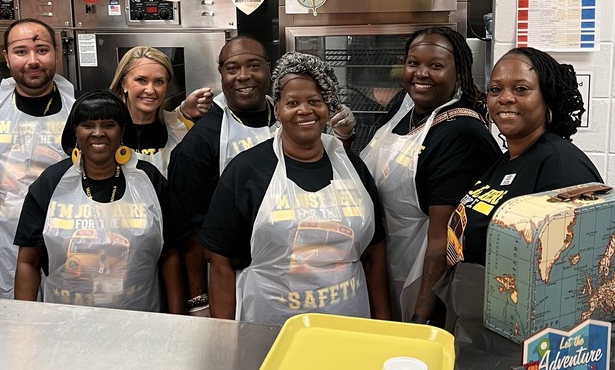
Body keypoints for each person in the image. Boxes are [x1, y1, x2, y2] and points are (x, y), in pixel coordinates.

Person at [169, 35, 356, 313]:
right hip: (241, 280)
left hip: (315, 271)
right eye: (232, 68)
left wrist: (344, 137)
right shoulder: (200, 142)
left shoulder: (291, 112)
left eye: (254, 65)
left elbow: (331, 173)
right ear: (221, 74)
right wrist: (199, 299)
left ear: (269, 68)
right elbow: (190, 230)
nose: (244, 76)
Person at [201, 53, 390, 325]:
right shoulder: (246, 171)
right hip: (269, 326)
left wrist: (384, 325)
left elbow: (375, 253)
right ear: (277, 109)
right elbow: (220, 261)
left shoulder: (353, 168)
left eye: (315, 101)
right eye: (292, 103)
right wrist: (227, 337)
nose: (305, 110)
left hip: (348, 323)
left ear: (328, 107)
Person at [361, 26, 500, 324]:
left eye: (436, 65)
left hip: (421, 282)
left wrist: (420, 317)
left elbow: (442, 239)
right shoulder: (403, 108)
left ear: (459, 73)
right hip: (385, 266)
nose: (421, 73)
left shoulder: (461, 133)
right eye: (413, 63)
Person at [13, 90, 188, 312]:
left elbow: (170, 254)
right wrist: (24, 321)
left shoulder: (148, 179)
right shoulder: (52, 182)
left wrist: (177, 319)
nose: (98, 133)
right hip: (63, 322)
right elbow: (28, 261)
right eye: (87, 125)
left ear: (122, 130)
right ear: (75, 131)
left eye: (108, 125)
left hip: (140, 320)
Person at [0, 18, 76, 299]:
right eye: (21, 52)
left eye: (42, 50)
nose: (33, 61)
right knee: (9, 319)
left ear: (56, 53)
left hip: (67, 239)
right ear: (7, 57)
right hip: (4, 243)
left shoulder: (79, 106)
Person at [447, 47, 603, 268]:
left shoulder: (561, 167)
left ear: (547, 98)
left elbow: (570, 269)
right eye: (495, 89)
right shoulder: (507, 160)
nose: (505, 98)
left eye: (521, 89)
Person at [110, 46, 213, 177]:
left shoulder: (180, 128)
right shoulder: (105, 130)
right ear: (124, 83)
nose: (150, 90)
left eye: (159, 82)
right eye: (141, 80)